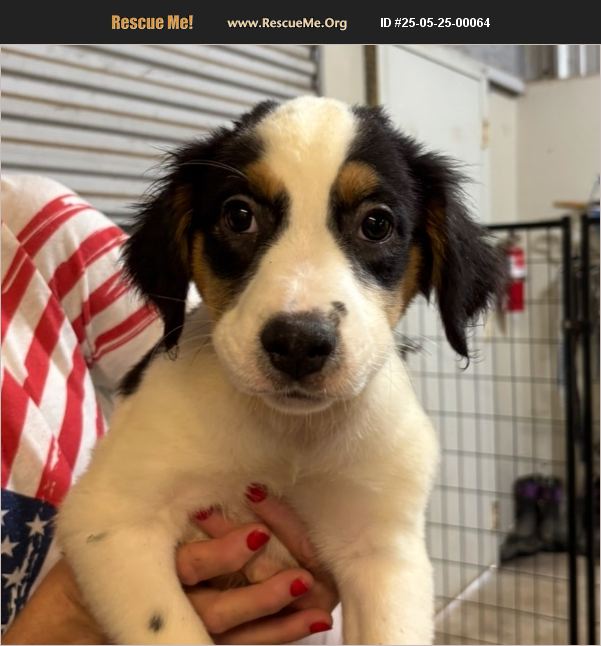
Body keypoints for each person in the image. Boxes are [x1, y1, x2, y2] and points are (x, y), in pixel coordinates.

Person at [1, 175, 340, 644]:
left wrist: (336, 537)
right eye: (240, 218)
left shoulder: (28, 223)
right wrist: (76, 608)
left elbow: (217, 355)